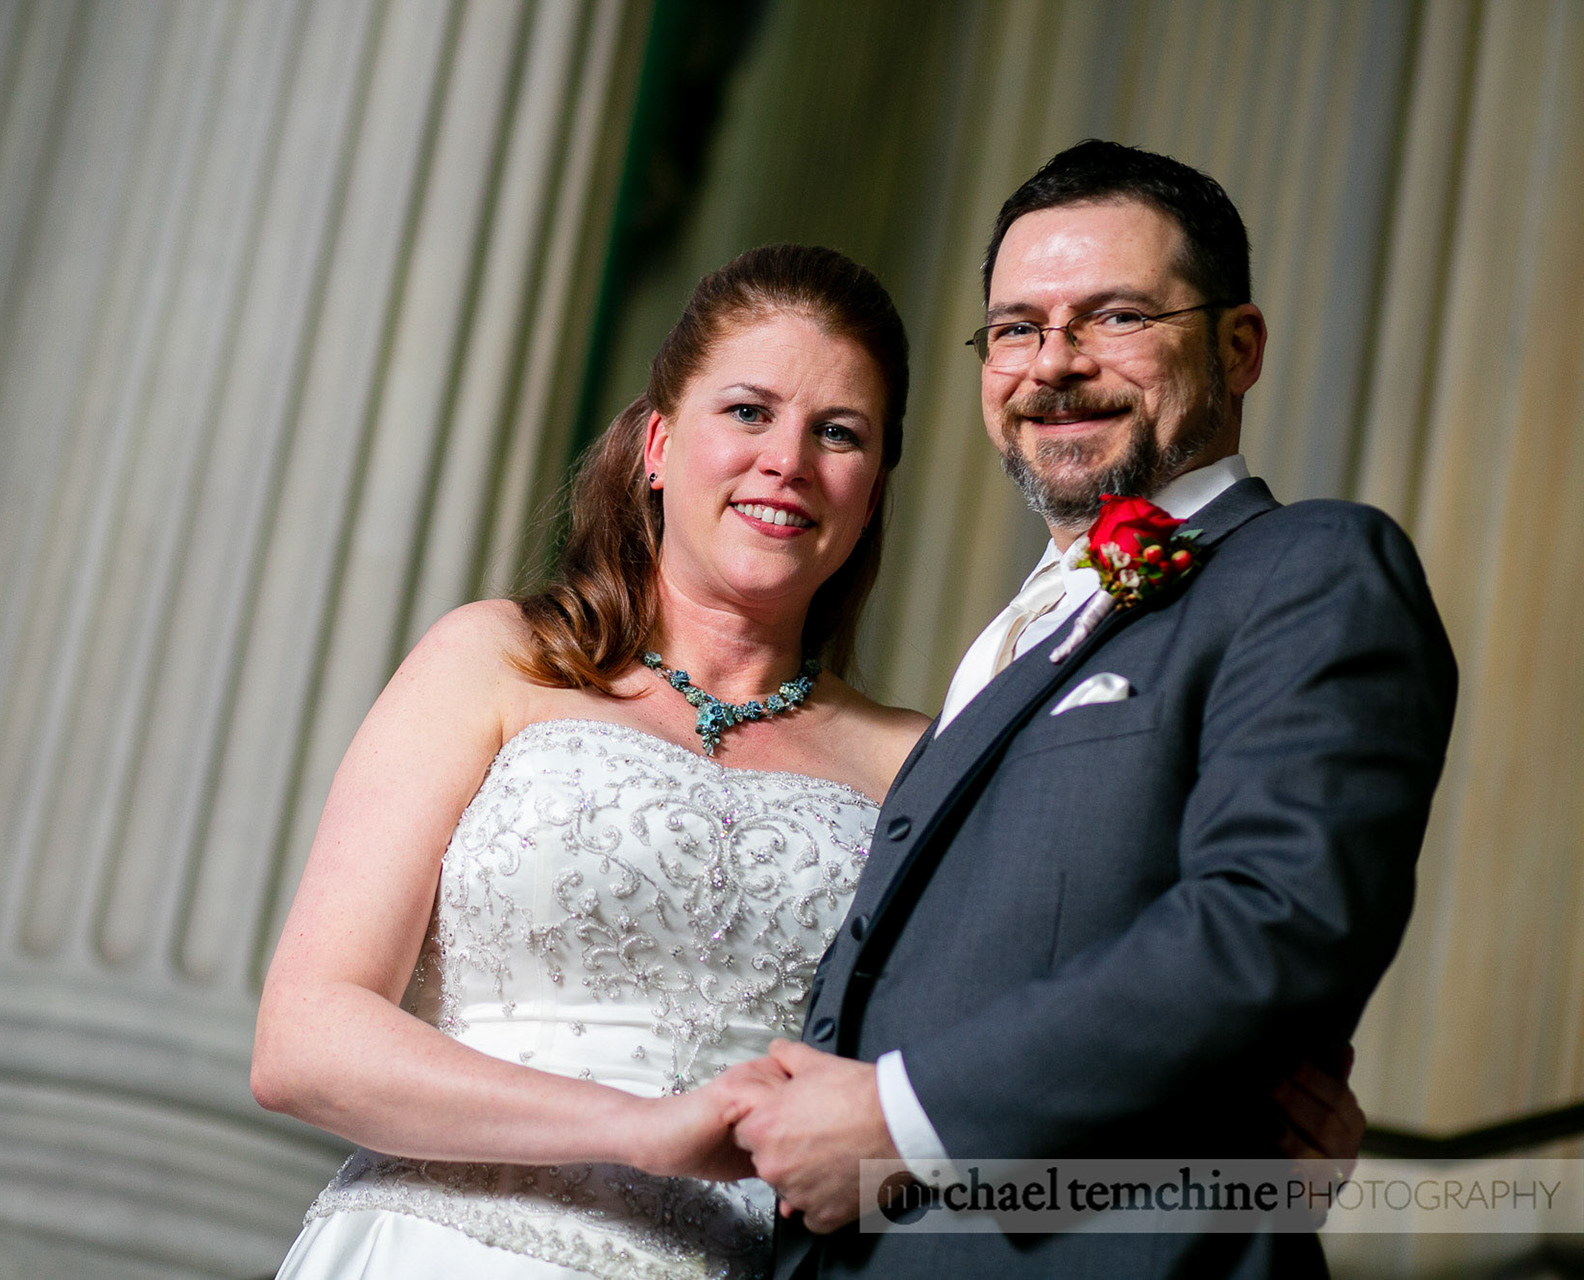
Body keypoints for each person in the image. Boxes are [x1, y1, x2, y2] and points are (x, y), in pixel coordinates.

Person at [251, 243, 1364, 1280]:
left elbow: (1034, 1046)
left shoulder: (925, 760)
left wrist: (1241, 1156)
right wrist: (641, 1129)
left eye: (840, 433)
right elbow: (305, 1037)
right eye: (748, 411)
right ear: (657, 445)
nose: (787, 461)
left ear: (873, 487)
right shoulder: (494, 659)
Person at [736, 142, 1457, 1279]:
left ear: (1239, 345)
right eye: (1016, 328)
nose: (1054, 365)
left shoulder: (1311, 567)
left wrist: (902, 1119)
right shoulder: (1006, 636)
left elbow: (1275, 918)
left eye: (1115, 316)